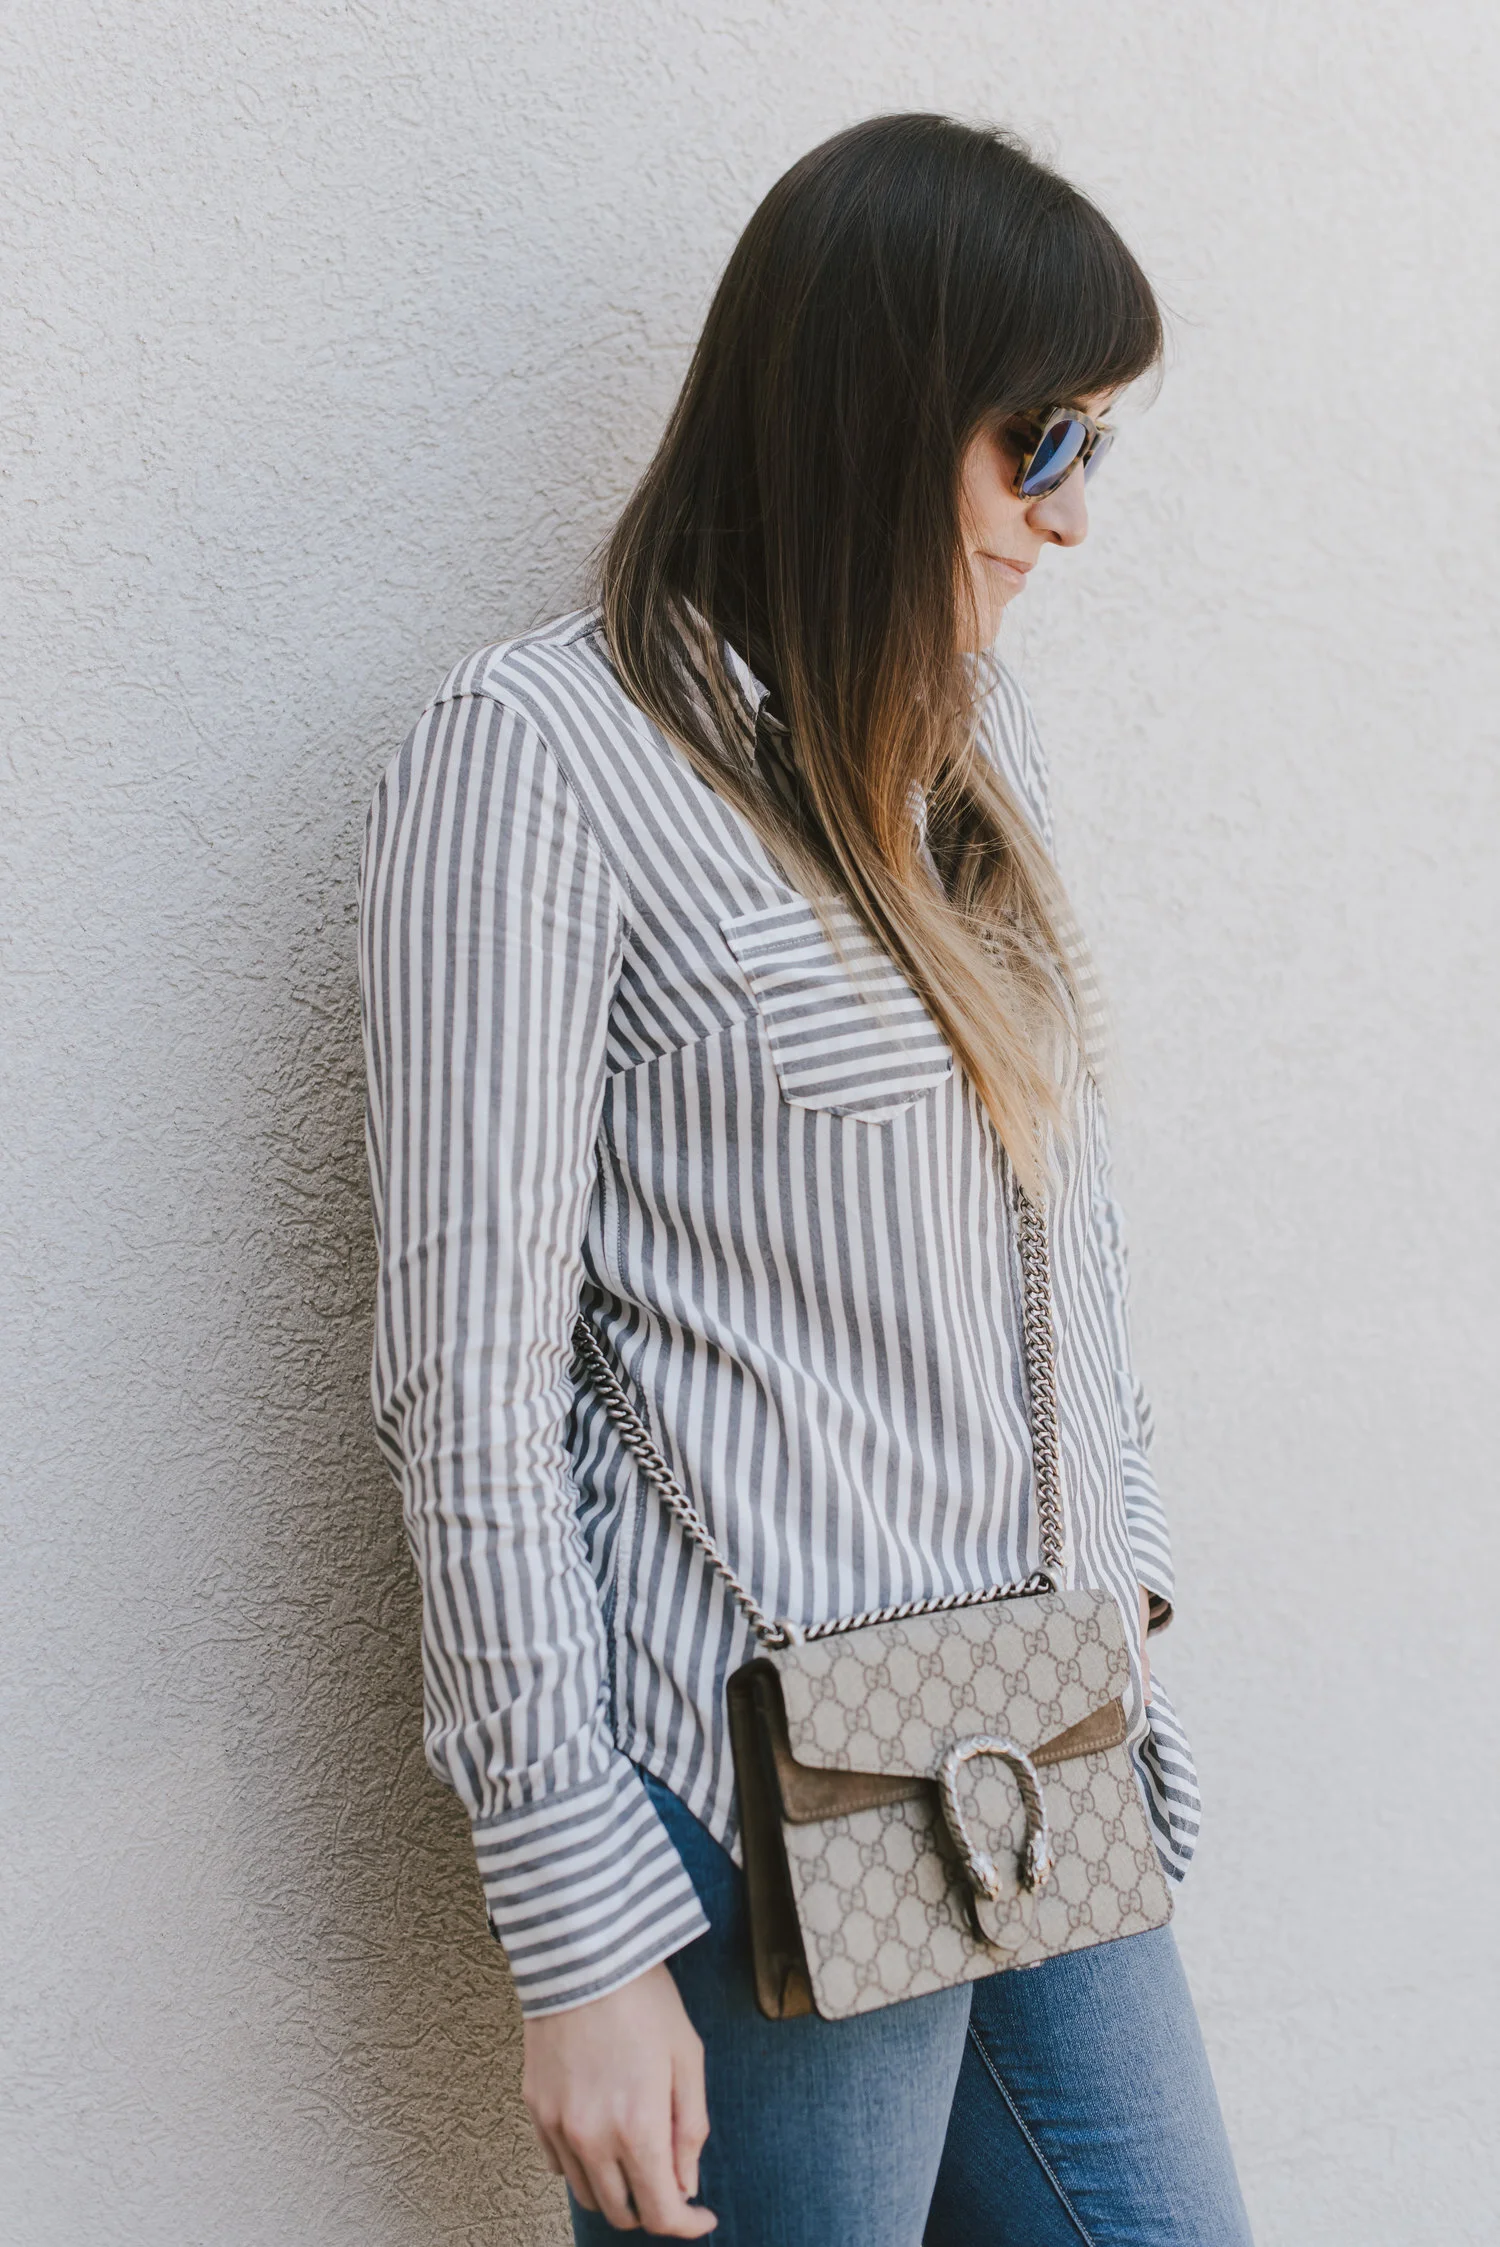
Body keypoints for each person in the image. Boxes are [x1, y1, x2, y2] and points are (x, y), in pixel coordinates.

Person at [359, 112, 1252, 2246]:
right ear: (871, 404)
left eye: (1095, 448)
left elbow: (1063, 1238)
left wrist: (1114, 1593)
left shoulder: (966, 739)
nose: (1069, 516)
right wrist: (576, 1921)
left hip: (1022, 1748)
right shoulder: (543, 755)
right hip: (753, 1785)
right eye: (1037, 439)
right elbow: (466, 1379)